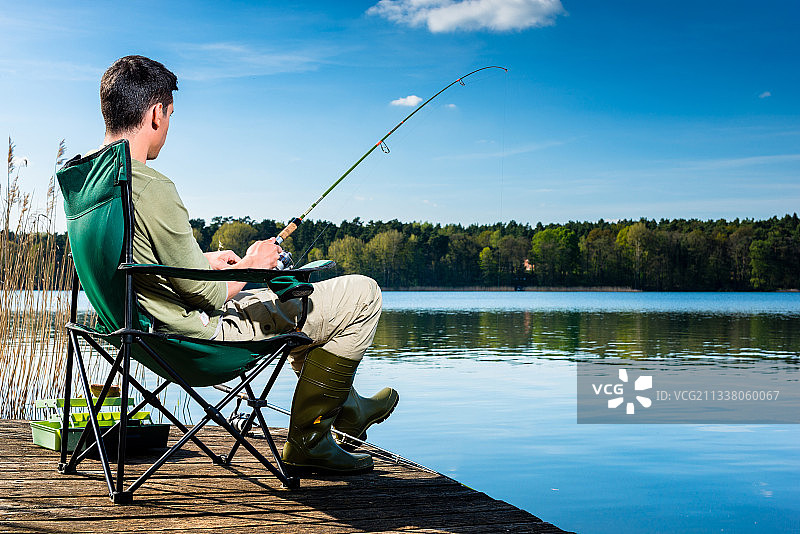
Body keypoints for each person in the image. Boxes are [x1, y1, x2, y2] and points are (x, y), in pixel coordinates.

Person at [97, 55, 398, 474]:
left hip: (136, 332)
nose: (169, 126)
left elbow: (131, 262)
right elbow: (204, 294)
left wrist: (203, 261)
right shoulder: (152, 185)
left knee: (292, 297)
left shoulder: (91, 179)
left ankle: (346, 407)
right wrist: (254, 264)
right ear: (155, 114)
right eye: (170, 114)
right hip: (195, 340)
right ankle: (313, 436)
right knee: (362, 294)